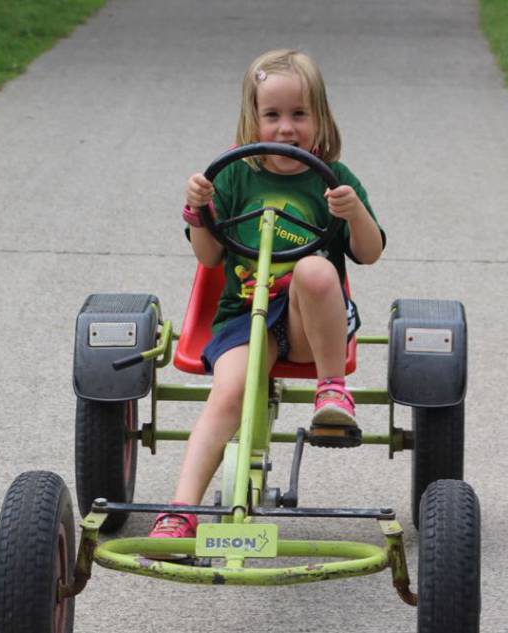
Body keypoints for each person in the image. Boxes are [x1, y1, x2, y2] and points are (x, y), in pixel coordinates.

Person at [149, 49, 385, 544]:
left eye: (299, 114)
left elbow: (370, 253)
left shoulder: (334, 179)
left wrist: (354, 211)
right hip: (243, 315)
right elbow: (209, 258)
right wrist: (199, 212)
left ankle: (332, 389)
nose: (286, 128)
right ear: (252, 119)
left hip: (307, 322)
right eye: (272, 115)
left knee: (318, 269)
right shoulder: (233, 175)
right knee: (227, 395)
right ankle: (179, 511)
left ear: (319, 118)